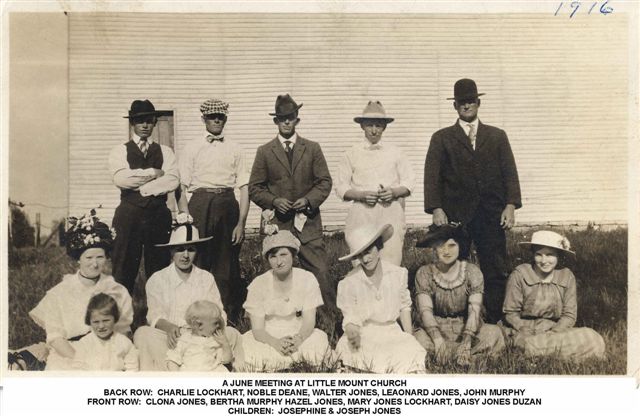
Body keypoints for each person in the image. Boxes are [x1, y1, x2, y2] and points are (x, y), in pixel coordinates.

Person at [423, 79, 522, 323]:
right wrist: (436, 208)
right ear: (454, 105)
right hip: (456, 216)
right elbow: (432, 176)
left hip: (491, 214)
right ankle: (456, 315)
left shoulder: (497, 136)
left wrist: (510, 205)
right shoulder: (442, 138)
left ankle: (495, 318)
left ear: (478, 102)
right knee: (455, 265)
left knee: (495, 266)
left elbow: (509, 173)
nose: (466, 105)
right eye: (461, 102)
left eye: (470, 101)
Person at [9, 210, 133, 371]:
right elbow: (56, 338)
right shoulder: (59, 293)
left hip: (108, 351)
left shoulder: (117, 290)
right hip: (68, 353)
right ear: (78, 259)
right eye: (89, 258)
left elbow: (123, 331)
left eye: (100, 257)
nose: (94, 264)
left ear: (107, 257)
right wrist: (82, 361)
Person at [248, 94, 334, 311]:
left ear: (297, 119)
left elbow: (324, 182)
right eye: (282, 118)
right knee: (275, 276)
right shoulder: (265, 151)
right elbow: (255, 188)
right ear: (275, 121)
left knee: (321, 272)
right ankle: (276, 318)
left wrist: (308, 200)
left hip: (308, 225)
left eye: (291, 117)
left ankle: (329, 321)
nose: (286, 122)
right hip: (278, 225)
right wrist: (274, 201)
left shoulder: (312, 148)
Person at [133, 221, 244, 371]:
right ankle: (163, 374)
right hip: (171, 338)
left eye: (191, 250)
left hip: (203, 337)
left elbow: (218, 312)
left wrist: (205, 330)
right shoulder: (158, 279)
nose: (185, 255)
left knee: (232, 334)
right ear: (171, 251)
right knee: (142, 334)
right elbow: (154, 315)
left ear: (197, 251)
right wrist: (169, 327)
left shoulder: (205, 278)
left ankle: (216, 368)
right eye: (180, 250)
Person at [177, 99, 249, 323]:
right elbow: (181, 187)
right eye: (212, 117)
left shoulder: (235, 148)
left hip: (227, 204)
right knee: (199, 259)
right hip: (200, 203)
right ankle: (194, 315)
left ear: (225, 119)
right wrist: (186, 220)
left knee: (226, 263)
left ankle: (224, 317)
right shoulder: (192, 147)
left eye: (220, 117)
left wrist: (241, 223)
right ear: (204, 119)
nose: (216, 120)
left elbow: (244, 187)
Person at [108, 99, 180, 293]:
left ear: (154, 122)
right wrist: (154, 173)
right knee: (123, 269)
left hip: (158, 216)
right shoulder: (120, 150)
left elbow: (172, 180)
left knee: (160, 271)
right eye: (140, 121)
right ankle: (122, 311)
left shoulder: (166, 151)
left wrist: (141, 187)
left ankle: (158, 311)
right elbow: (121, 179)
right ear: (132, 123)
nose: (145, 125)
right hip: (128, 215)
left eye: (149, 120)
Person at [336, 224, 426, 373]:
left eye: (369, 251)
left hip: (390, 330)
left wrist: (408, 335)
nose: (365, 259)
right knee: (352, 351)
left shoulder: (396, 274)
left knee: (409, 350)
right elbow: (350, 316)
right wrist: (353, 332)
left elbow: (404, 306)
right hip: (365, 332)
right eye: (360, 255)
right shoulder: (350, 282)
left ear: (379, 247)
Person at [502, 231, 605, 360]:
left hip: (554, 331)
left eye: (550, 255)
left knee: (593, 338)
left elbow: (569, 315)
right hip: (523, 330)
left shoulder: (566, 276)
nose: (544, 261)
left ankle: (530, 350)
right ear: (533, 254)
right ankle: (535, 349)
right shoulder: (520, 274)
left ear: (558, 256)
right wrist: (523, 328)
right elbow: (510, 313)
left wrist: (554, 332)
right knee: (512, 338)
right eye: (539, 255)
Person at [335, 101, 415, 266]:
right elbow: (341, 187)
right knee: (363, 259)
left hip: (390, 212)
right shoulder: (351, 153)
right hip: (362, 213)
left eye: (378, 125)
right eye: (369, 125)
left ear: (384, 127)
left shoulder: (395, 152)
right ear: (362, 126)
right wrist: (361, 195)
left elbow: (409, 182)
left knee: (391, 258)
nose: (373, 130)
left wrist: (393, 192)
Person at [413, 223, 505, 366]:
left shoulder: (472, 272)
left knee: (494, 333)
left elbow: (474, 311)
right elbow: (425, 312)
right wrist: (438, 341)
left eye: (452, 245)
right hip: (436, 328)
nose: (446, 251)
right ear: (434, 248)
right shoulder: (424, 273)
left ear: (460, 246)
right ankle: (464, 357)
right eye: (441, 246)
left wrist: (466, 342)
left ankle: (455, 355)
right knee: (417, 338)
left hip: (465, 326)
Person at [242, 230, 330, 371]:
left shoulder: (307, 278)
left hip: (298, 330)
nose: (279, 262)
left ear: (293, 255)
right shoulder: (259, 283)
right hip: (268, 334)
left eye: (283, 254)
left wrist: (298, 340)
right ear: (267, 259)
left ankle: (286, 361)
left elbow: (308, 321)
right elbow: (258, 329)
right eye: (273, 257)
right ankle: (284, 361)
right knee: (250, 350)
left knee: (318, 342)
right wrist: (275, 343)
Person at [71, 293, 139, 371]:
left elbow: (132, 368)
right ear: (90, 322)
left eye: (106, 320)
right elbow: (78, 368)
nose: (101, 326)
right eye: (96, 322)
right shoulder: (85, 343)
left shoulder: (124, 343)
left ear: (115, 319)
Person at [166, 300, 231, 372]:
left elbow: (226, 360)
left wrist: (225, 344)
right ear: (199, 325)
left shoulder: (214, 339)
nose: (218, 325)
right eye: (215, 323)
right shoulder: (184, 340)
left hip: (212, 371)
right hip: (191, 373)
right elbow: (173, 360)